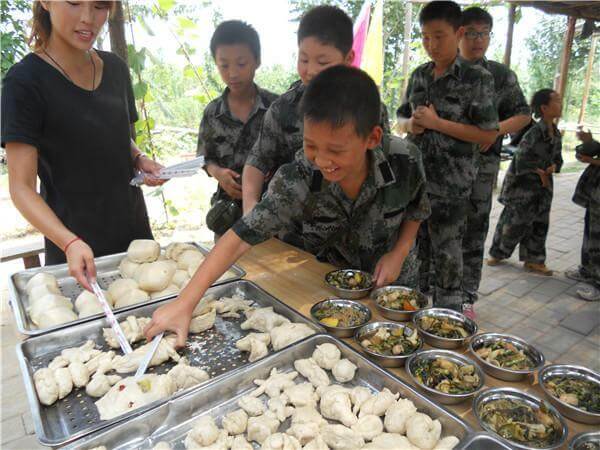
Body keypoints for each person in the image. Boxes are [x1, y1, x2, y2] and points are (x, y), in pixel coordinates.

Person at [145, 66, 430, 345]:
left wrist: (399, 252)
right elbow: (239, 238)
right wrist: (184, 303)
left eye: (335, 150)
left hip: (393, 292)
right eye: (311, 145)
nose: (321, 160)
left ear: (373, 138)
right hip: (333, 292)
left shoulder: (404, 159)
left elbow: (416, 209)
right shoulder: (300, 177)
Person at [1, 1, 164, 291]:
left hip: (136, 240)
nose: (88, 18)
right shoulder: (24, 82)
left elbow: (112, 133)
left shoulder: (115, 69)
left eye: (100, 6)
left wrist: (138, 157)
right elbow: (21, 188)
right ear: (46, 2)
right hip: (74, 252)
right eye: (74, 3)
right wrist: (69, 242)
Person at [396, 1, 499, 311]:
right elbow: (400, 119)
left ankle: (449, 317)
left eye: (439, 36)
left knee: (447, 254)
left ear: (458, 33)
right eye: (426, 37)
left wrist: (439, 124)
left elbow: (488, 134)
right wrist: (411, 123)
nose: (431, 45)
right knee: (416, 252)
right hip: (417, 183)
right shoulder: (419, 76)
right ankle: (413, 311)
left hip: (453, 187)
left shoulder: (477, 79)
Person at [242, 5, 389, 216]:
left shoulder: (369, 107)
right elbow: (257, 161)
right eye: (303, 59)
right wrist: (250, 207)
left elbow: (383, 165)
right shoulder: (284, 108)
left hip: (355, 225)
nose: (310, 71)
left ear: (348, 59)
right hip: (296, 229)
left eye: (322, 61)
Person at [458, 7, 531, 313]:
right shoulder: (438, 71)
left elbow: (524, 115)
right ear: (458, 34)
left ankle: (465, 296)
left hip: (479, 172)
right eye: (471, 32)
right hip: (439, 172)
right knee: (431, 229)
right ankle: (427, 287)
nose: (478, 40)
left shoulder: (500, 76)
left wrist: (493, 130)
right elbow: (410, 117)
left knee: (474, 231)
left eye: (484, 33)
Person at [197, 20, 278, 238]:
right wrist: (219, 174)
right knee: (229, 270)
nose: (232, 73)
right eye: (224, 65)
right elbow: (204, 159)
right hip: (227, 216)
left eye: (241, 64)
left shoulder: (277, 108)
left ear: (257, 61)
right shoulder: (212, 112)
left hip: (274, 214)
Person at [488, 89, 563, 275]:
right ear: (544, 108)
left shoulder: (556, 133)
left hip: (543, 189)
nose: (560, 104)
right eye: (557, 101)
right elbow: (520, 160)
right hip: (524, 188)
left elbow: (558, 159)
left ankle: (534, 260)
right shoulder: (534, 132)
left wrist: (554, 166)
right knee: (513, 223)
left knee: (539, 224)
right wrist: (539, 172)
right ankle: (497, 253)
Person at [565, 128, 600, 301]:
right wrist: (589, 142)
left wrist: (594, 162)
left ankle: (598, 283)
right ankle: (587, 270)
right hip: (595, 195)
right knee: (591, 233)